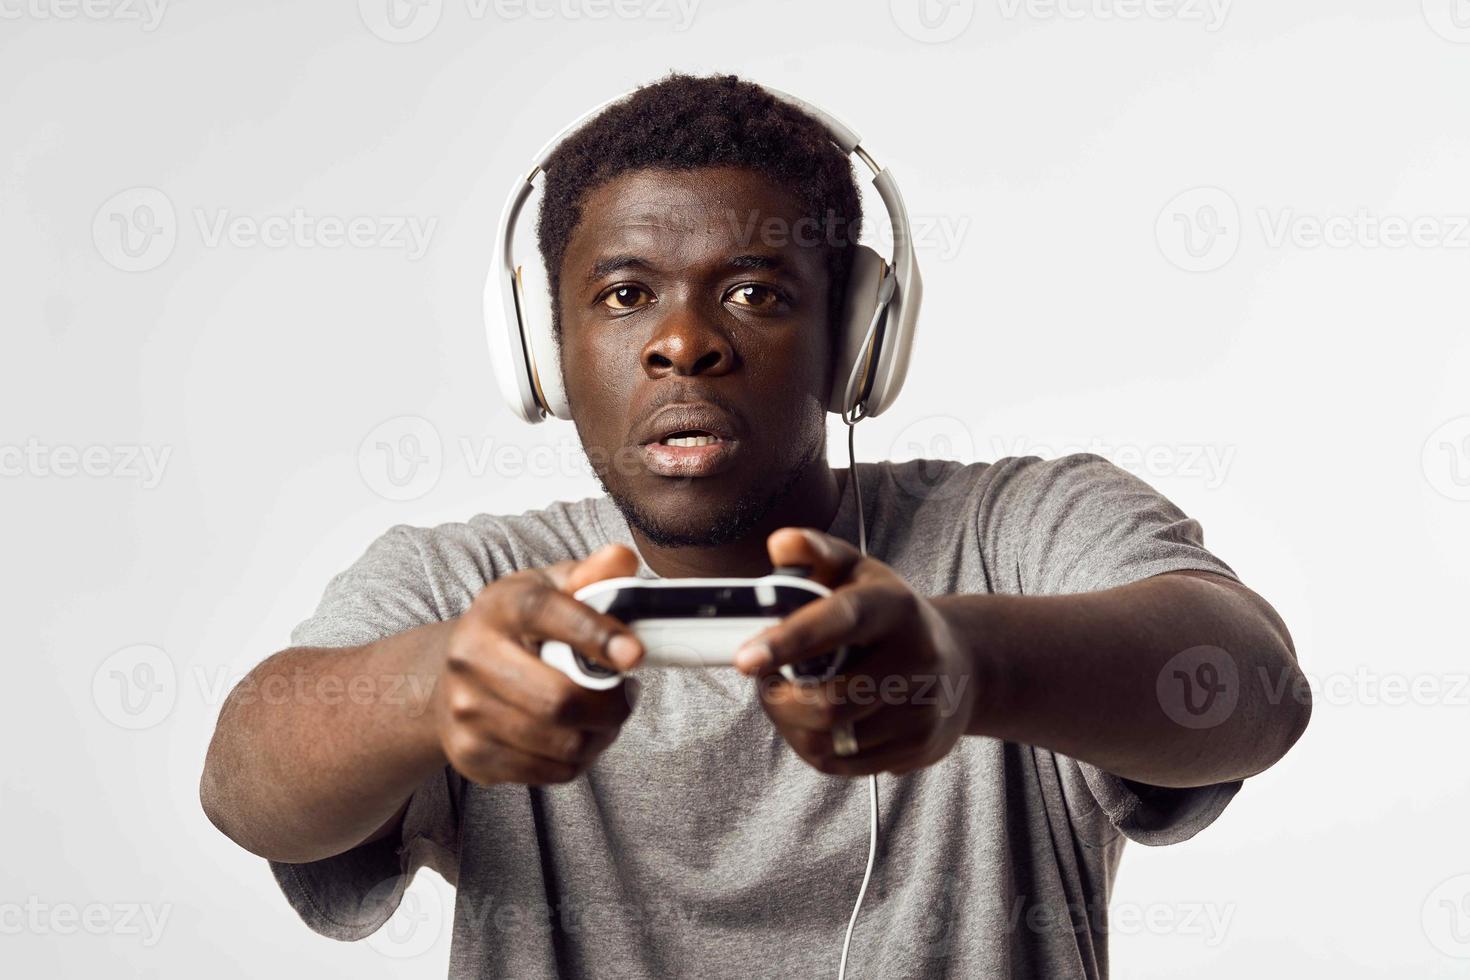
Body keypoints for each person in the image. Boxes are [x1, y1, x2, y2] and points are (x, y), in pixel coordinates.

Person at [199, 72, 1311, 979]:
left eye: (756, 292)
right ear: (545, 356)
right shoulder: (468, 586)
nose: (683, 342)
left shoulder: (1025, 524)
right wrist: (430, 685)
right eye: (625, 293)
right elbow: (244, 781)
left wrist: (971, 667)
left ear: (857, 342)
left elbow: (1257, 689)